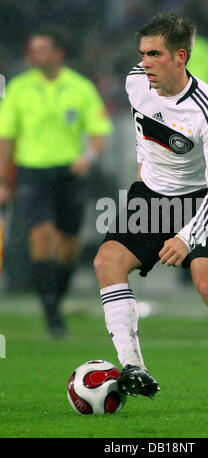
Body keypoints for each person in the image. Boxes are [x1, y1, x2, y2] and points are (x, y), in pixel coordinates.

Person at [93, 13, 208, 411]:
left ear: (180, 57)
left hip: (199, 199)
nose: (145, 62)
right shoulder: (135, 81)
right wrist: (145, 159)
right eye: (142, 53)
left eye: (155, 54)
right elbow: (146, 124)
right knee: (107, 261)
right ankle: (132, 367)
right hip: (151, 196)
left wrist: (186, 236)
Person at [0, 25, 113, 337]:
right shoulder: (19, 88)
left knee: (68, 245)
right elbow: (6, 136)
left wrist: (87, 157)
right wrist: (2, 178)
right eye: (33, 49)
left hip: (70, 173)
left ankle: (56, 298)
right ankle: (51, 313)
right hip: (32, 172)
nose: (36, 55)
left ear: (58, 53)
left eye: (43, 49)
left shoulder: (80, 88)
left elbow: (99, 132)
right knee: (42, 236)